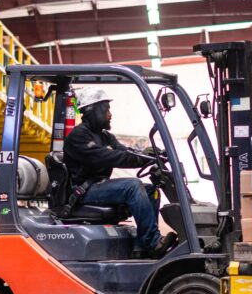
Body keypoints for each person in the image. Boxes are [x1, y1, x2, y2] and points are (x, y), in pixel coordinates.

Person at [62, 86, 176, 259]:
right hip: (84, 191)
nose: (110, 114)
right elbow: (109, 157)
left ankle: (140, 246)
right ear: (93, 111)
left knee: (151, 190)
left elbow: (126, 153)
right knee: (133, 186)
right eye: (106, 109)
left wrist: (150, 155)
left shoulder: (106, 137)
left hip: (100, 186)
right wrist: (141, 157)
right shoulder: (78, 136)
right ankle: (152, 242)